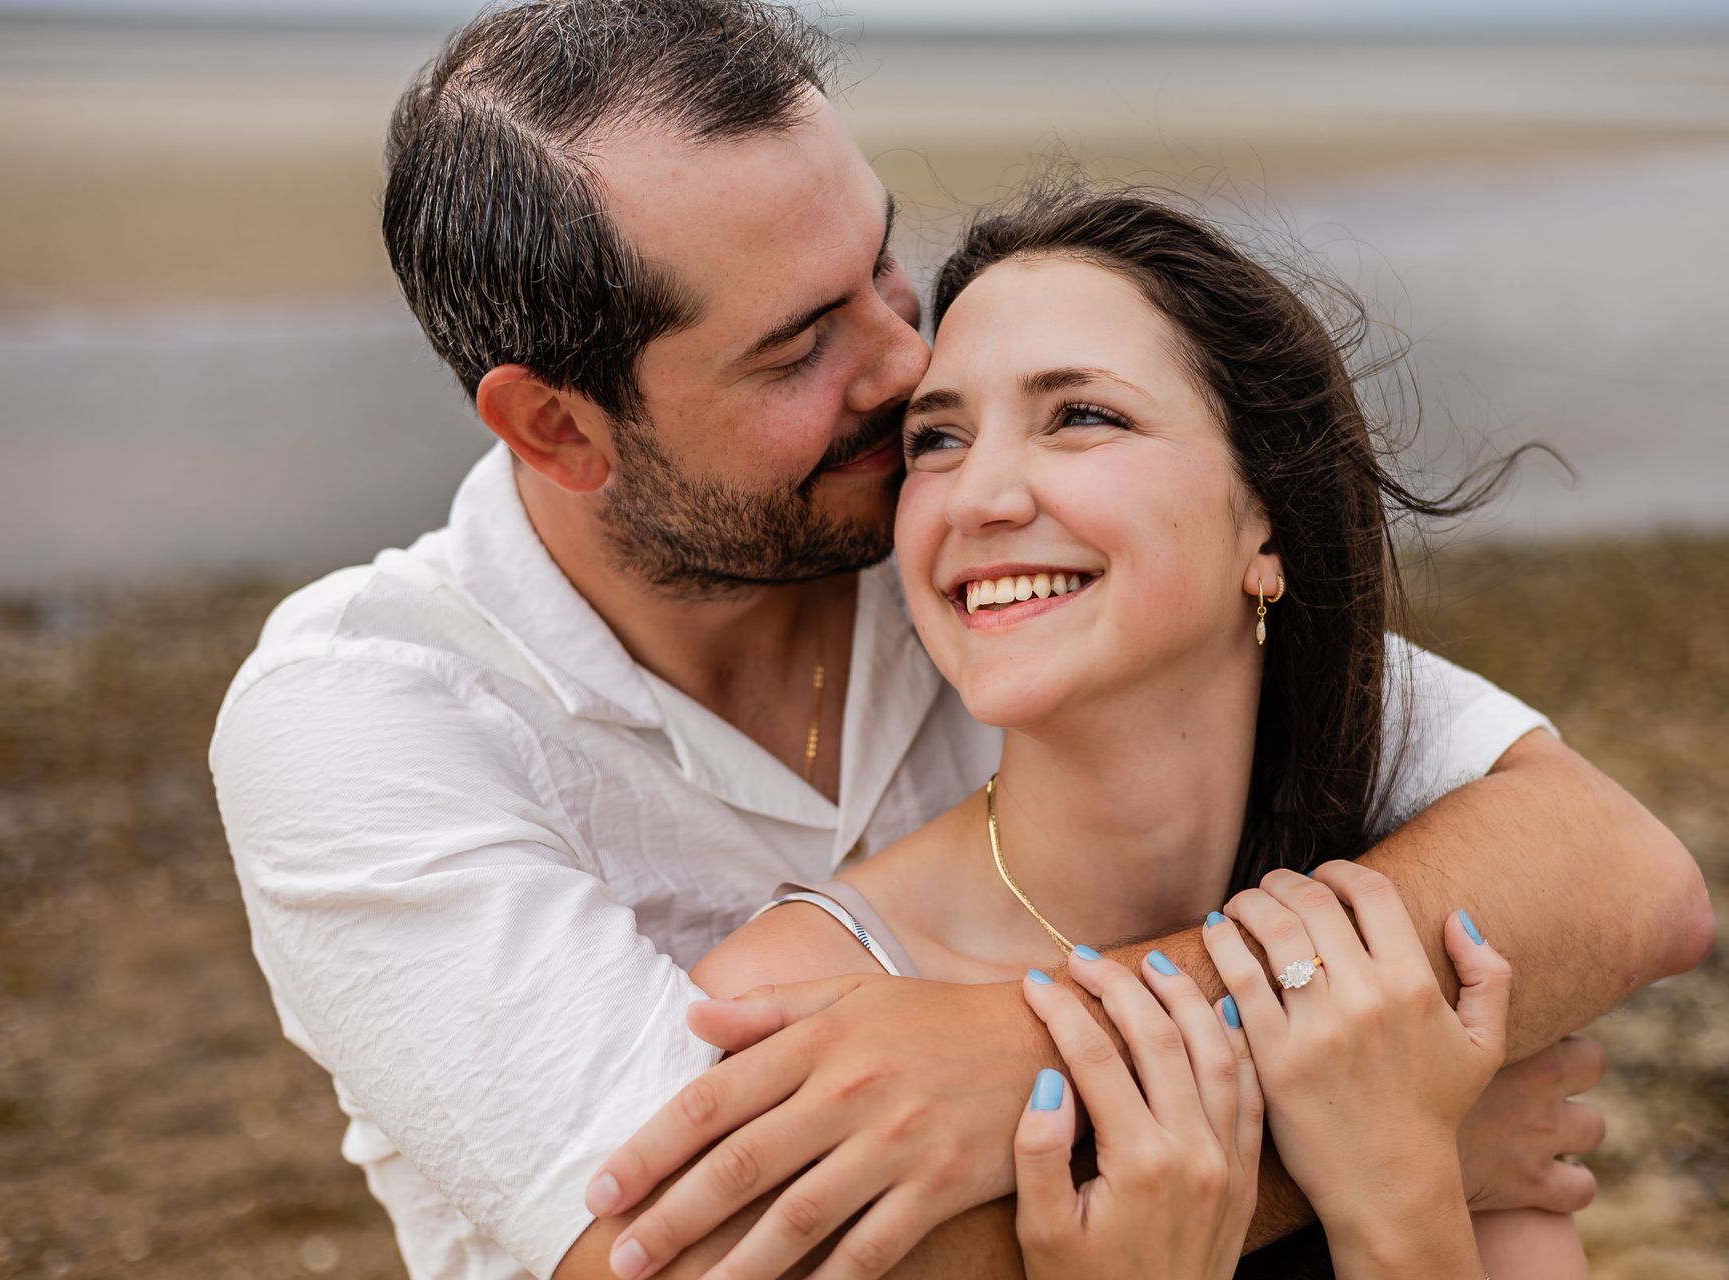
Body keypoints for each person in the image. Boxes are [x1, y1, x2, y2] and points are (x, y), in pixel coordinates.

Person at [208, 3, 1713, 1278]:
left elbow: (1609, 868)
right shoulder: (370, 714)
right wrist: (1373, 1139)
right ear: (558, 428)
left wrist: (1026, 1053)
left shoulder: (955, 543)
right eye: (802, 345)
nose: (906, 359)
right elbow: (693, 1257)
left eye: (880, 262)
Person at [678, 184, 1595, 1278]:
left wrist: (1401, 1198)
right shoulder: (792, 1005)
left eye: (1080, 415)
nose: (979, 495)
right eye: (937, 437)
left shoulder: (1399, 953)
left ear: (1269, 524)